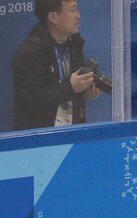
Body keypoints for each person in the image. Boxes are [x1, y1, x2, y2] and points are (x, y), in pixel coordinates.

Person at [10, 0, 99, 131]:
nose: (78, 15)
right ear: (53, 17)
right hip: (39, 137)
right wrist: (70, 87)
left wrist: (85, 93)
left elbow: (71, 92)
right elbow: (29, 100)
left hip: (72, 133)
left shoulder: (75, 44)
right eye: (73, 10)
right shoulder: (30, 52)